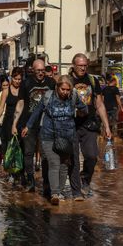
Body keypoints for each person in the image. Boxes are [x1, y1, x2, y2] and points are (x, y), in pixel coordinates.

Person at [22, 75, 88, 204]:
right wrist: (28, 126)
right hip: (48, 135)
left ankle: (60, 191)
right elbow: (37, 112)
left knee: (64, 166)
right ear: (57, 87)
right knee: (54, 163)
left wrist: (82, 111)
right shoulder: (48, 96)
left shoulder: (74, 96)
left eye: (67, 90)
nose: (65, 92)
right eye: (62, 89)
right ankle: (55, 194)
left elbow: (84, 109)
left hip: (67, 136)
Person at [69, 53, 111, 197]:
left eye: (85, 65)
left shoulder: (92, 80)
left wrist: (107, 126)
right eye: (80, 65)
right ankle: (76, 191)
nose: (83, 68)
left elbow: (99, 104)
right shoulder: (67, 80)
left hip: (89, 124)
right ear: (73, 65)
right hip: (71, 125)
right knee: (73, 159)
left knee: (92, 156)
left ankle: (85, 179)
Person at [12, 59, 56, 193]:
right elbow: (20, 104)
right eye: (38, 71)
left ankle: (47, 183)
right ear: (33, 70)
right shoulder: (26, 83)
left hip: (46, 125)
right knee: (28, 153)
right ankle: (30, 180)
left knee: (45, 154)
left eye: (43, 71)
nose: (41, 73)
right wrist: (15, 124)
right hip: (28, 124)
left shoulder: (51, 83)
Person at [0, 67, 23, 167]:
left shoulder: (23, 90)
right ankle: (8, 168)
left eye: (19, 79)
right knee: (7, 145)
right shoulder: (6, 91)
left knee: (19, 146)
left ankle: (18, 169)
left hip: (20, 121)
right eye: (15, 78)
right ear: (11, 78)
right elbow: (1, 108)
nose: (17, 81)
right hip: (8, 121)